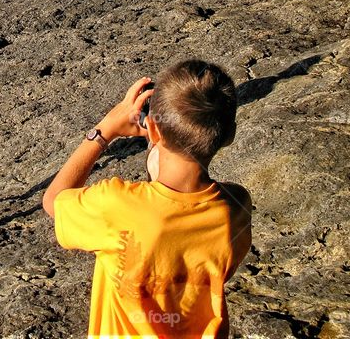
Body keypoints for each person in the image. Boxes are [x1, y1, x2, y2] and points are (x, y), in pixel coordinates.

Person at [42, 60, 252, 338]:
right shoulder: (236, 208)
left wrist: (104, 131)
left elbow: (54, 200)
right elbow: (176, 229)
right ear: (229, 136)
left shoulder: (116, 206)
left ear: (152, 130)